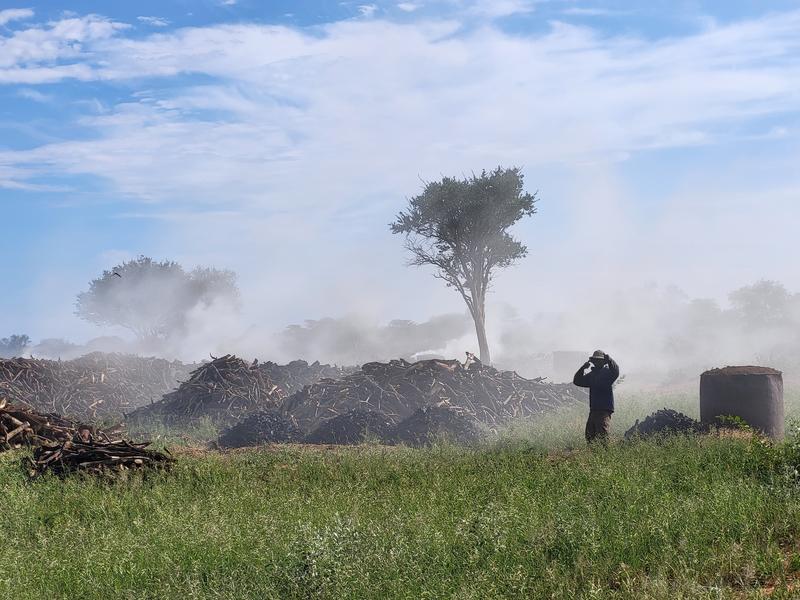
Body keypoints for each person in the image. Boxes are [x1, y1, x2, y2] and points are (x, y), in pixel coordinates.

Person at [573, 350, 620, 444]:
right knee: (590, 435)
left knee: (603, 436)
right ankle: (595, 455)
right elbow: (577, 381)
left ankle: (605, 455)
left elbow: (616, 371)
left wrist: (610, 359)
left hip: (604, 409)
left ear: (603, 362)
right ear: (593, 361)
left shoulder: (608, 373)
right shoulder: (592, 375)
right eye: (595, 360)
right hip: (594, 409)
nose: (597, 362)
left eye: (599, 360)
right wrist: (582, 368)